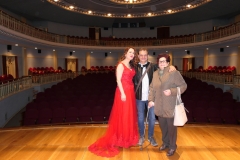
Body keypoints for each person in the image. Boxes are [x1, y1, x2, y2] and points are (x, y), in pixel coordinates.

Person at [88, 47, 139, 157]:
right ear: (125, 53)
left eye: (133, 53)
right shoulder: (121, 65)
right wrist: (123, 93)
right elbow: (118, 80)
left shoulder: (131, 65)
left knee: (129, 115)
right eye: (130, 52)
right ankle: (121, 138)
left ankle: (128, 138)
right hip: (123, 91)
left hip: (130, 91)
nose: (132, 54)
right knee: (123, 114)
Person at [134, 48, 176, 147]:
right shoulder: (134, 67)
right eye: (141, 55)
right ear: (138, 56)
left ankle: (151, 137)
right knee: (140, 118)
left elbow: (164, 67)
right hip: (139, 97)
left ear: (147, 55)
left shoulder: (153, 66)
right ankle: (141, 136)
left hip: (152, 98)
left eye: (145, 55)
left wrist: (172, 66)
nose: (143, 57)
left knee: (152, 118)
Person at [148, 54, 187, 156]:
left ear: (168, 63)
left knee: (171, 128)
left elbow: (183, 86)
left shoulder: (174, 73)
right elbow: (152, 88)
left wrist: (172, 91)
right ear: (158, 63)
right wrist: (150, 100)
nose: (162, 63)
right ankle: (165, 143)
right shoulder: (155, 73)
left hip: (170, 105)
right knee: (163, 127)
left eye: (164, 61)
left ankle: (173, 146)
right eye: (160, 61)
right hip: (159, 106)